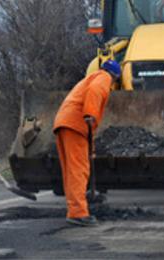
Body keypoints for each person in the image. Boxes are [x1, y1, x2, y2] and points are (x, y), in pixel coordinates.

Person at [53, 60, 121, 227]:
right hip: (75, 124)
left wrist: (91, 148)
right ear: (115, 77)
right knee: (79, 170)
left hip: (65, 123)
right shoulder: (103, 78)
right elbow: (95, 91)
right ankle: (78, 213)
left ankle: (74, 210)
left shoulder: (91, 77)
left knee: (71, 171)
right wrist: (90, 113)